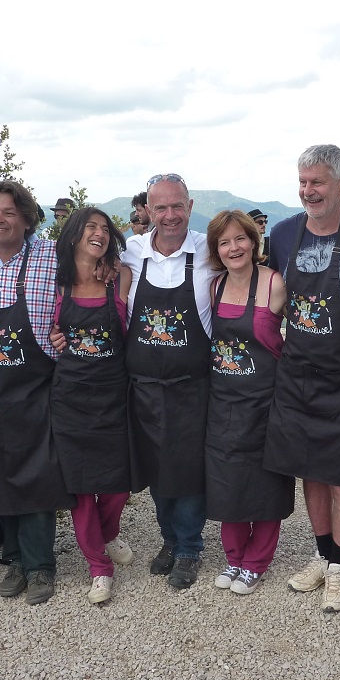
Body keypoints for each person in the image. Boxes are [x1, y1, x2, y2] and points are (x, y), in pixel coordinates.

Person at [265, 144, 340, 612]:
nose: (308, 191)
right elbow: (266, 295)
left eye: (318, 182)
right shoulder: (283, 233)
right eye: (304, 181)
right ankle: (321, 553)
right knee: (309, 470)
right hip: (298, 370)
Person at [0, 180, 74, 606]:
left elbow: (84, 296)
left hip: (37, 386)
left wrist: (69, 334)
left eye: (7, 212)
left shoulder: (52, 255)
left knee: (38, 475)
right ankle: (16, 561)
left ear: (26, 217)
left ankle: (41, 565)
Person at [121, 174, 218, 589]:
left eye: (177, 206)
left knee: (188, 467)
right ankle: (169, 538)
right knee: (157, 466)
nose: (170, 215)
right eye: (160, 208)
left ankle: (190, 546)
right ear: (147, 210)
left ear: (190, 206)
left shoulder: (211, 252)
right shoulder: (130, 251)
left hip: (192, 383)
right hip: (143, 383)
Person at [50, 207, 137, 605]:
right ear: (73, 236)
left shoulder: (120, 278)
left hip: (113, 392)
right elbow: (42, 329)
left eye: (105, 228)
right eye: (91, 227)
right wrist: (53, 339)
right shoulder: (55, 282)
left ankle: (107, 533)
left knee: (118, 483)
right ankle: (98, 566)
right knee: (82, 488)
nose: (99, 233)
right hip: (70, 395)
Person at [205, 210, 293, 595]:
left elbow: (304, 337)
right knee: (227, 480)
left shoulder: (274, 283)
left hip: (266, 399)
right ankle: (233, 556)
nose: (233, 247)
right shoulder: (215, 286)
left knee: (266, 481)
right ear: (216, 250)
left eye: (239, 239)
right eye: (224, 242)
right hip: (223, 399)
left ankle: (257, 561)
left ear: (253, 241)